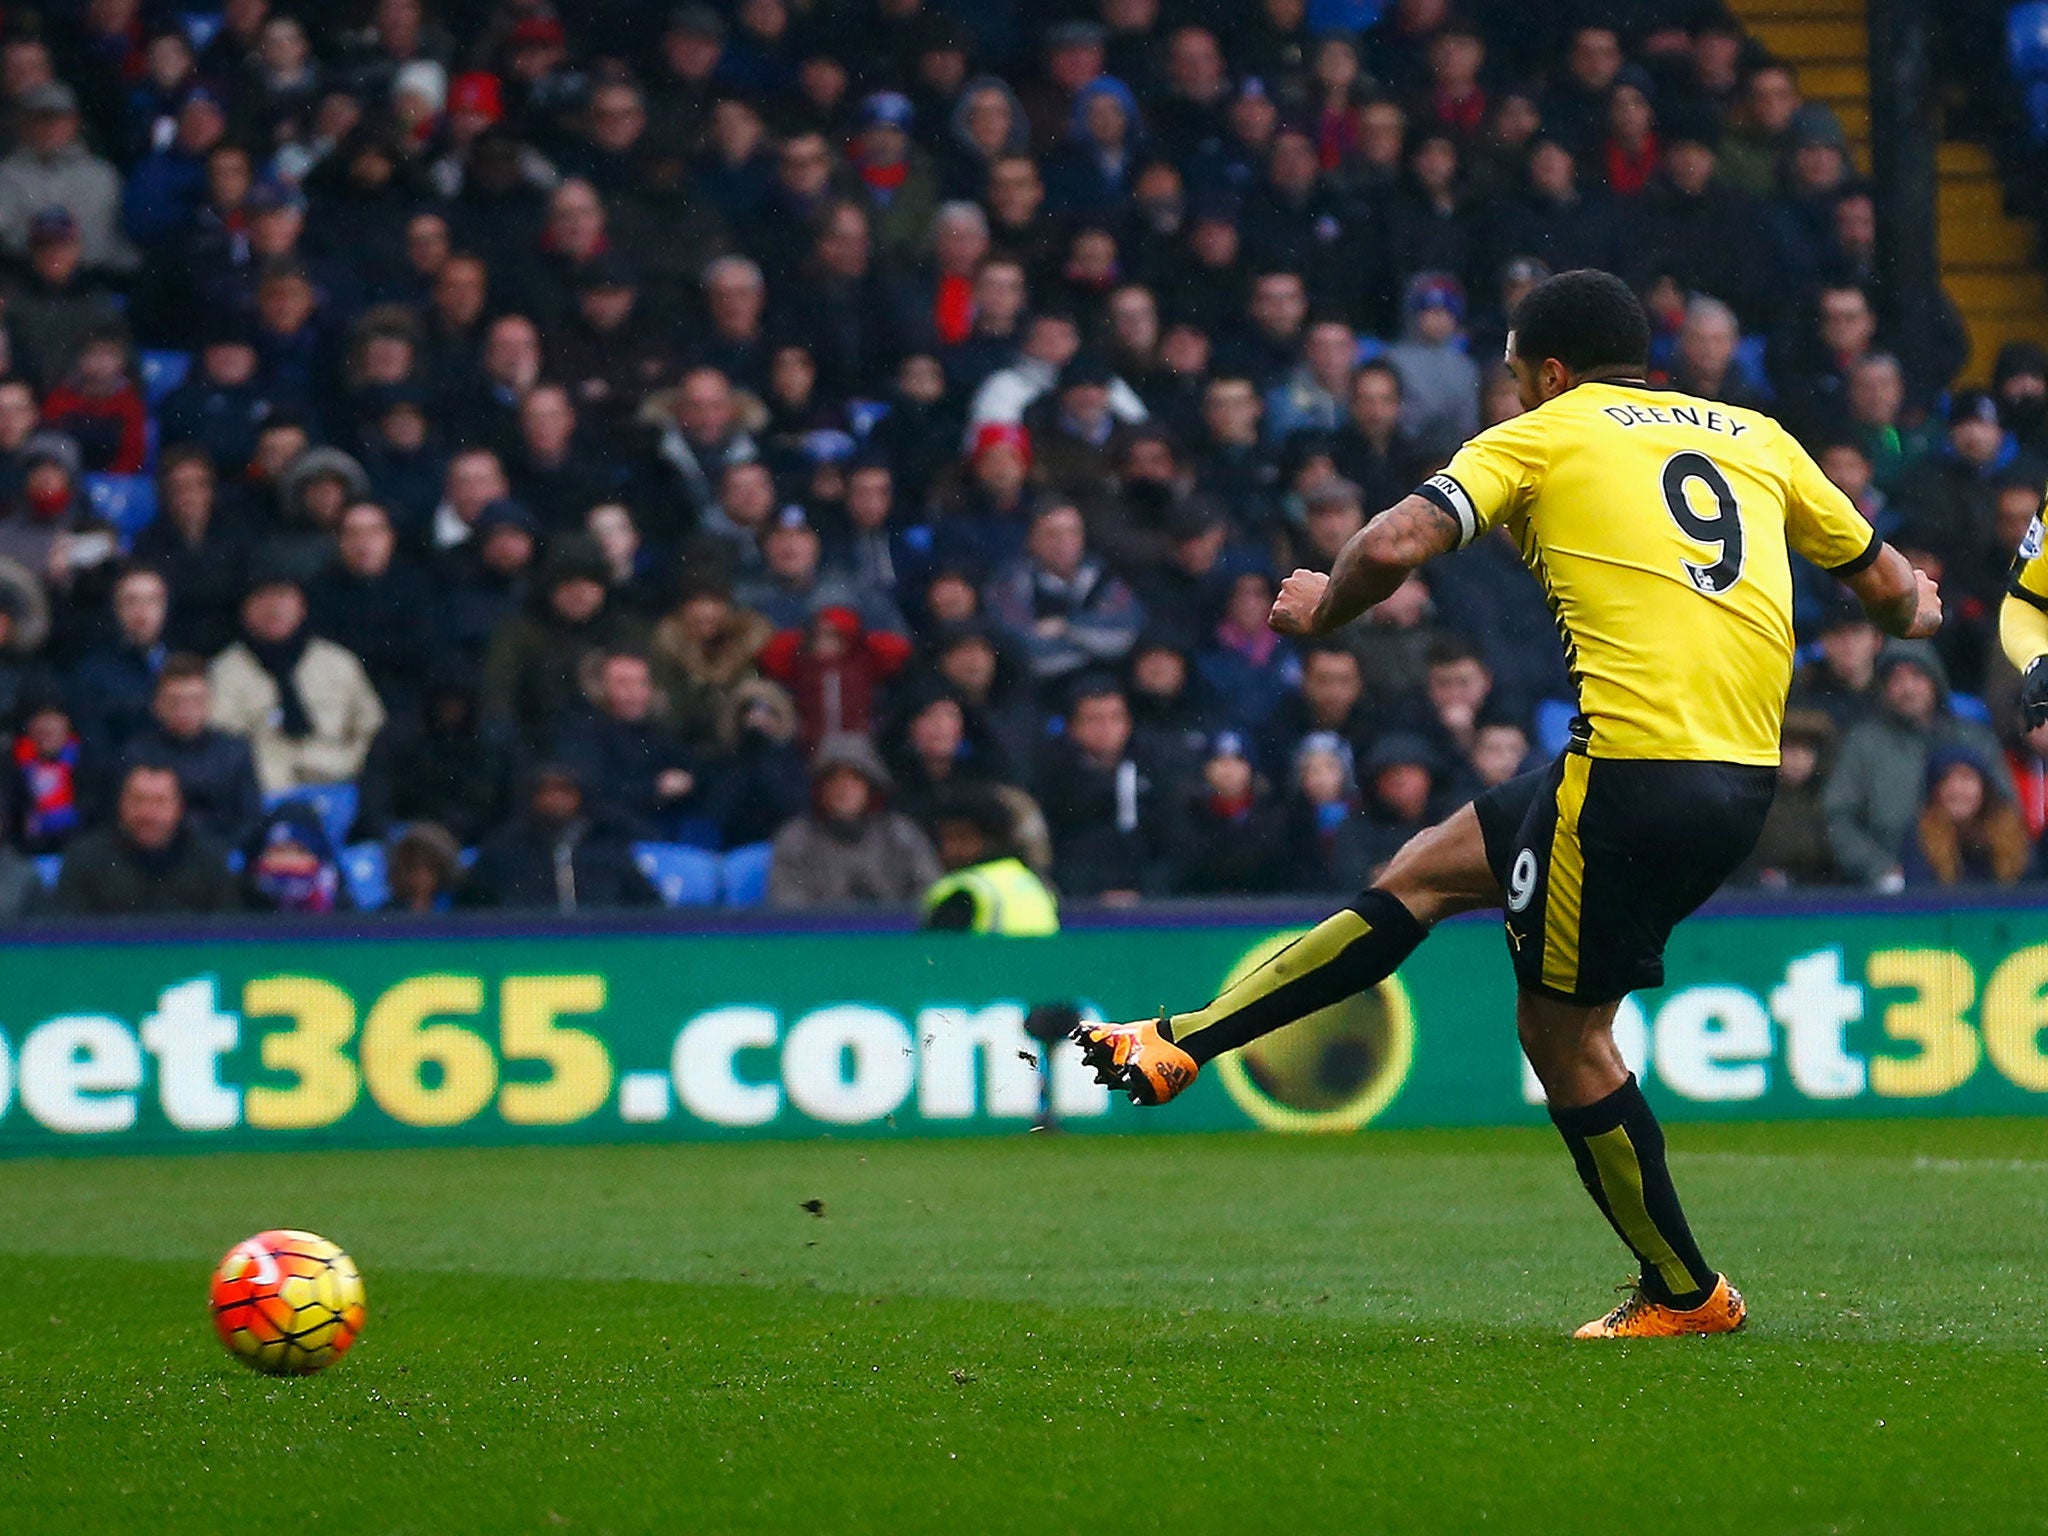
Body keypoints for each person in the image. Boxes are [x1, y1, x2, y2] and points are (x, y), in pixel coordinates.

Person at [1070, 270, 1941, 1340]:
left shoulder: (1541, 434)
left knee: (1561, 1036)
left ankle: (1683, 1290)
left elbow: (1391, 542)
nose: (1514, 392)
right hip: (1733, 776)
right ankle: (1181, 1041)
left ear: (1553, 370)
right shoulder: (1754, 434)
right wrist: (1918, 606)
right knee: (1427, 869)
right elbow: (1895, 594)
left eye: (1517, 373)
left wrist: (1319, 609)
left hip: (1625, 773)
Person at [208, 570, 386, 795]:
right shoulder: (225, 671)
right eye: (263, 597)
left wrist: (349, 763)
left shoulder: (338, 662)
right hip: (265, 791)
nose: (274, 607)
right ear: (245, 608)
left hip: (339, 783)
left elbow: (371, 728)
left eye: (283, 596)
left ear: (302, 606)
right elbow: (219, 740)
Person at [766, 732, 940, 908]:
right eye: (834, 779)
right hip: (820, 934)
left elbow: (930, 893)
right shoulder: (795, 839)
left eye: (854, 778)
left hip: (894, 934)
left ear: (870, 787)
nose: (844, 788)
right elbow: (788, 906)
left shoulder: (901, 834)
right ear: (820, 788)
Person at [53, 763, 240, 916]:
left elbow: (227, 936)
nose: (148, 813)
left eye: (160, 801)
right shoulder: (85, 858)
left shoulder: (209, 859)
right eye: (138, 800)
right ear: (121, 804)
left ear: (179, 807)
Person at [920, 783, 1059, 934]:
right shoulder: (1033, 880)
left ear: (991, 839)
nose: (950, 848)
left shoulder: (964, 891)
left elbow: (936, 954)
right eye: (945, 839)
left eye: (961, 837)